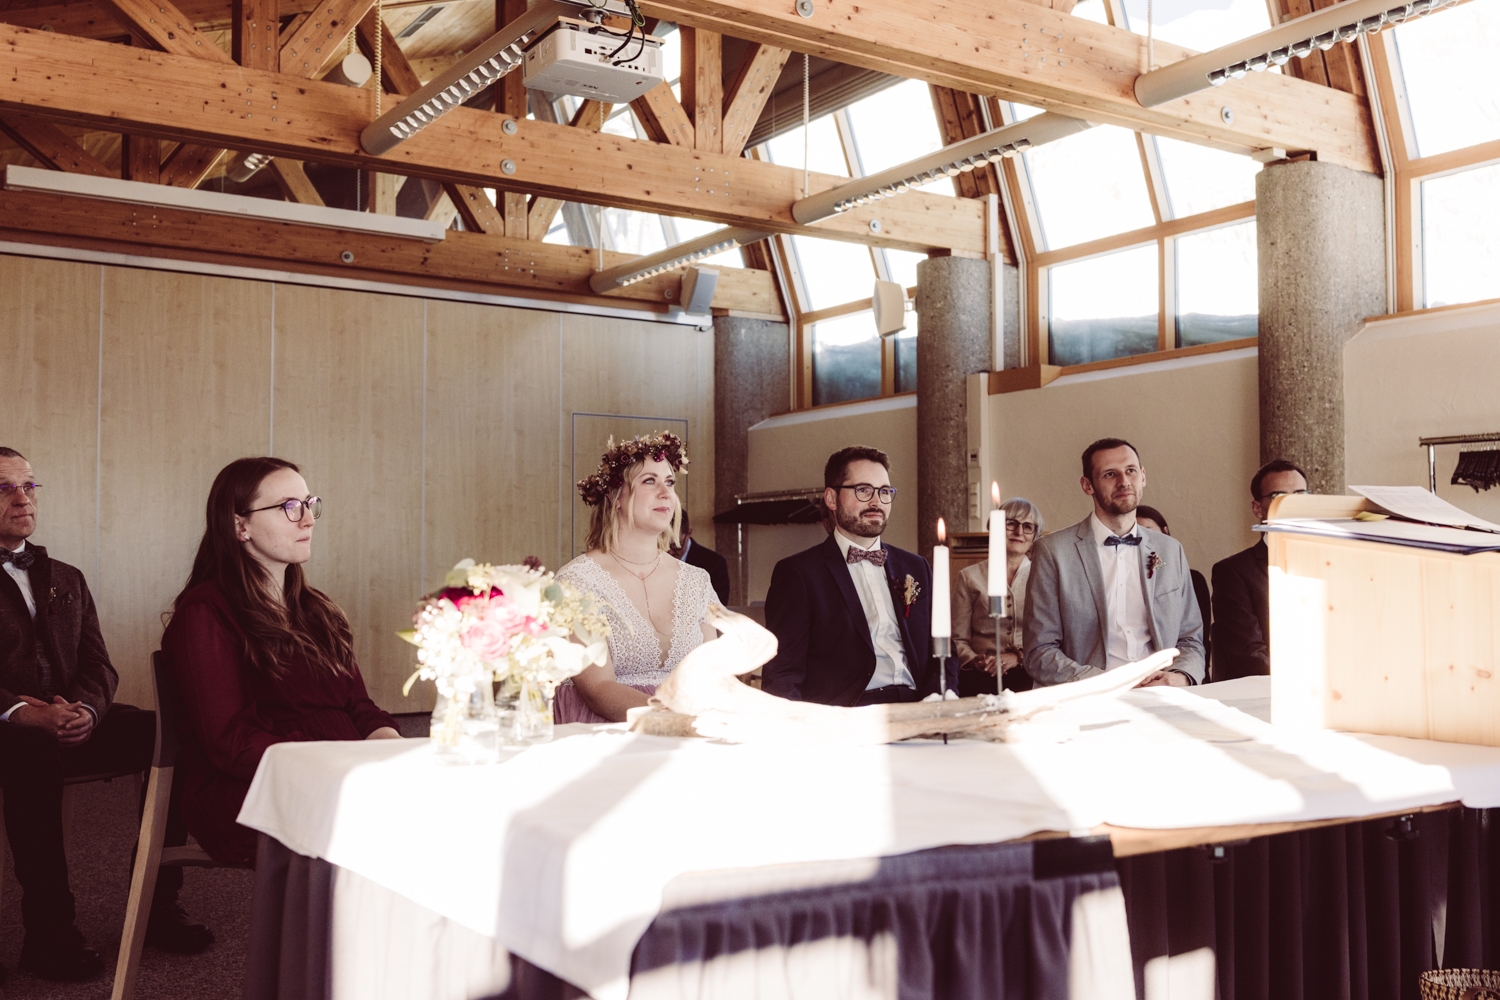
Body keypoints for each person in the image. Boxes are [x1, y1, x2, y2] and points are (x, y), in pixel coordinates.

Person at [0, 447, 212, 983]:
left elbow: (99, 664)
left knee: (173, 736)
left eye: (29, 485)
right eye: (4, 488)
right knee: (30, 750)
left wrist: (89, 712)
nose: (23, 498)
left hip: (72, 719)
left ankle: (158, 905)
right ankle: (49, 933)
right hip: (10, 731)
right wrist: (22, 712)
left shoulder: (66, 576)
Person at [161, 458, 400, 867]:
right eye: (290, 507)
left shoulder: (318, 609)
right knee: (392, 828)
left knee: (443, 801)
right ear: (240, 526)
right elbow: (231, 743)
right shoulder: (206, 612)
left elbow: (360, 708)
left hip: (332, 772)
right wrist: (333, 763)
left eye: (310, 504)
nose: (307, 520)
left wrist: (392, 752)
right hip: (255, 789)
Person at [761, 446, 943, 706]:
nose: (876, 502)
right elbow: (783, 673)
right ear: (832, 499)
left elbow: (944, 653)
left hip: (920, 707)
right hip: (847, 715)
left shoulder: (916, 567)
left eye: (884, 492)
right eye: (863, 490)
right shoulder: (798, 574)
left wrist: (940, 701)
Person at [555, 433, 716, 723]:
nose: (666, 493)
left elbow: (711, 674)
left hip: (690, 728)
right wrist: (673, 718)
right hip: (607, 729)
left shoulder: (697, 581)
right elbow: (597, 689)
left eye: (669, 482)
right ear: (617, 497)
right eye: (649, 481)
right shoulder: (578, 582)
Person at [1024, 438, 1205, 687]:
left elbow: (1191, 638)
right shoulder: (1053, 552)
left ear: (1142, 476)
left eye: (1130, 470)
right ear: (1088, 485)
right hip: (1089, 698)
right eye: (1110, 474)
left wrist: (1179, 678)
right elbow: (1039, 652)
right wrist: (1108, 683)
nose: (1123, 482)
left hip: (1162, 696)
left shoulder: (1170, 550)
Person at [1210, 459, 1309, 682]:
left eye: (1300, 495)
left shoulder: (1330, 563)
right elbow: (1249, 654)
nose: (1291, 504)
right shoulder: (1233, 572)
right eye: (1279, 497)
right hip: (1270, 688)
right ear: (1257, 508)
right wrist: (1300, 683)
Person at [953, 498, 1044, 695]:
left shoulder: (1043, 577)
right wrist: (976, 661)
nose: (1019, 532)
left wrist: (1017, 657)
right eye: (1011, 523)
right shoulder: (969, 577)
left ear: (1034, 536)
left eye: (1027, 526)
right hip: (980, 676)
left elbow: (1051, 637)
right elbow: (958, 639)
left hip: (1029, 671)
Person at [1133, 504, 1212, 671]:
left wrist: (1183, 673)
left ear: (1165, 531)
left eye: (1148, 530)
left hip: (1175, 670)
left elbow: (1196, 636)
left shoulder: (1193, 579)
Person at [671, 510, 731, 606]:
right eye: (663, 544)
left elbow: (717, 607)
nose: (669, 551)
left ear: (689, 533)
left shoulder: (714, 563)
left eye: (675, 545)